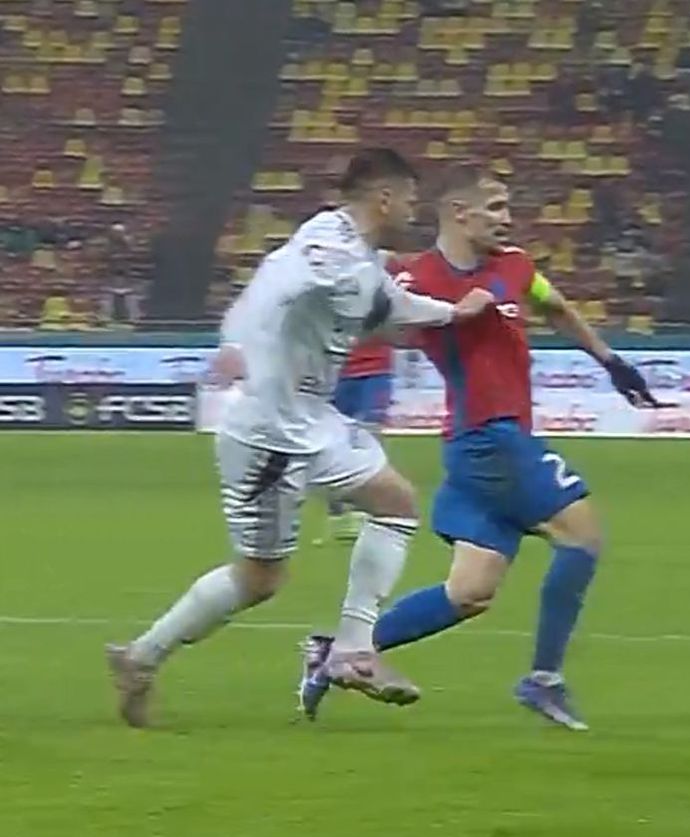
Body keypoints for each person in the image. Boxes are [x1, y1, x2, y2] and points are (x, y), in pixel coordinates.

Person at [104, 148, 494, 728]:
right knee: (260, 578)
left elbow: (388, 306)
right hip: (268, 433)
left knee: (395, 503)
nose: (414, 211)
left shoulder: (364, 257)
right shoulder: (328, 246)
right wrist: (237, 340)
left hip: (309, 418)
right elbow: (274, 285)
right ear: (384, 198)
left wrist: (452, 314)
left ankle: (353, 651)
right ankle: (141, 658)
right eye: (410, 200)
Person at [297, 163, 659, 730]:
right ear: (458, 213)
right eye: (495, 208)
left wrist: (610, 361)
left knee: (470, 592)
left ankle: (338, 650)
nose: (507, 219)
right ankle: (544, 679)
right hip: (491, 439)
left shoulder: (514, 265)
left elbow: (555, 307)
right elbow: (366, 321)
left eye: (508, 207)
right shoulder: (415, 279)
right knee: (583, 537)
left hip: (483, 446)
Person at [317, 335, 396, 545]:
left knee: (370, 435)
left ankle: (371, 509)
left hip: (376, 370)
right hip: (334, 370)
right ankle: (338, 511)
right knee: (332, 439)